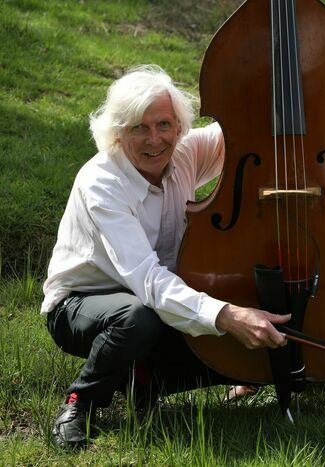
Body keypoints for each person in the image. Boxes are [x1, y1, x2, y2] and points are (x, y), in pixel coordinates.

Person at [41, 65, 290, 450]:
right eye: (139, 127)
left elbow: (241, 128)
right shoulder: (102, 183)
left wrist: (285, 80)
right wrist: (227, 314)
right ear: (118, 132)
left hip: (156, 298)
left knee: (226, 336)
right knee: (138, 319)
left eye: (163, 125)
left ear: (179, 127)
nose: (154, 139)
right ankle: (81, 403)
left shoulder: (186, 152)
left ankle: (142, 380)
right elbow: (148, 280)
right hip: (84, 303)